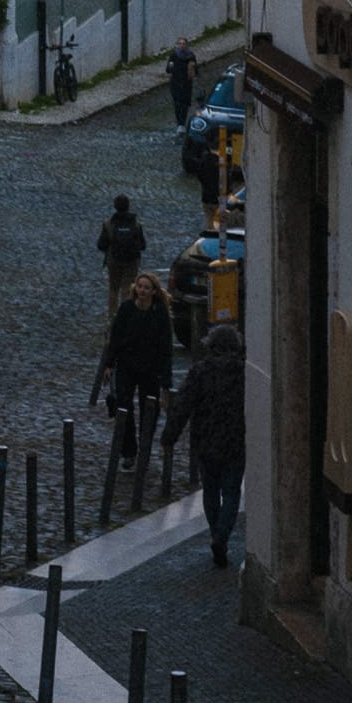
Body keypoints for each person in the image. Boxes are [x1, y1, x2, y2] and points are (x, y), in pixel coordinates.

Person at [163, 323, 246, 564]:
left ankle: (215, 533)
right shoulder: (243, 373)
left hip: (206, 441)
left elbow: (183, 405)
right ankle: (222, 536)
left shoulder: (200, 371)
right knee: (231, 493)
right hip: (235, 441)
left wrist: (170, 435)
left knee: (210, 491)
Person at [105, 272, 173, 465]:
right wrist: (109, 365)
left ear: (153, 291)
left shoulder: (159, 313)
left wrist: (166, 382)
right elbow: (116, 339)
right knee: (124, 406)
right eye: (140, 286)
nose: (142, 290)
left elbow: (166, 348)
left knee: (149, 411)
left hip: (150, 369)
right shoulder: (126, 309)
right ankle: (129, 452)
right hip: (127, 365)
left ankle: (144, 448)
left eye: (146, 288)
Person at [97, 194, 146, 316]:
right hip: (131, 262)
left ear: (115, 206)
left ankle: (112, 316)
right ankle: (126, 315)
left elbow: (101, 245)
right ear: (128, 206)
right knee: (128, 289)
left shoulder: (109, 223)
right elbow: (143, 245)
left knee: (113, 289)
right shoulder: (136, 223)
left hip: (113, 260)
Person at [166, 36, 199, 133]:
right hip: (175, 83)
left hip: (186, 84)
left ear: (187, 45)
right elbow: (168, 70)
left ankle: (182, 123)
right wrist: (170, 66)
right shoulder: (174, 56)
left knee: (185, 104)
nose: (182, 46)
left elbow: (195, 71)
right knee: (177, 104)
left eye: (184, 44)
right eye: (180, 44)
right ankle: (179, 123)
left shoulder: (191, 56)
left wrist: (193, 68)